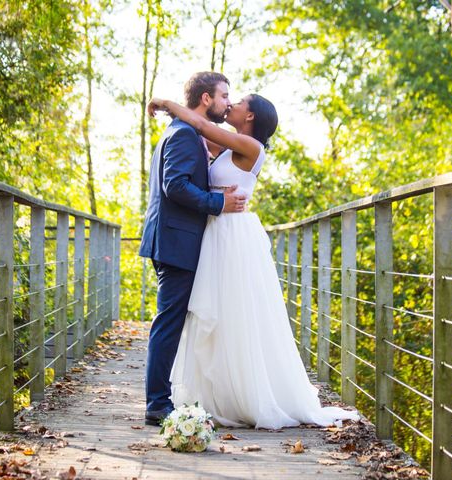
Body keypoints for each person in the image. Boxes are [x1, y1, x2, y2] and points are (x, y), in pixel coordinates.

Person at [147, 92, 359, 429]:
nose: (232, 104)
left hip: (234, 234)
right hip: (214, 233)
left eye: (240, 101)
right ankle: (219, 391)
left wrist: (169, 105)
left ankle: (247, 393)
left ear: (250, 117)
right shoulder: (229, 148)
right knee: (214, 313)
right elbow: (197, 140)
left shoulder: (250, 148)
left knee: (236, 310)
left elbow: (201, 124)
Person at [138, 72, 248, 426]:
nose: (227, 102)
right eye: (223, 96)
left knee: (170, 320)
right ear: (205, 98)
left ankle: (160, 398)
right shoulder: (185, 135)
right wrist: (218, 203)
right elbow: (176, 187)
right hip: (175, 241)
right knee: (168, 322)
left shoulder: (183, 130)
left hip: (172, 238)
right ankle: (157, 403)